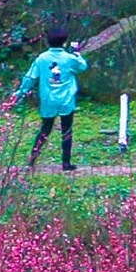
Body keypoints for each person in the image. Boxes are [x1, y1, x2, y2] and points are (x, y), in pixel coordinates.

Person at [13, 26, 88, 172]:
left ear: (48, 42)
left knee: (45, 129)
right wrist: (77, 54)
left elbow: (30, 77)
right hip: (66, 99)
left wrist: (20, 93)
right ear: (64, 42)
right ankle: (66, 163)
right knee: (67, 130)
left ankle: (33, 159)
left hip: (48, 99)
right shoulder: (69, 58)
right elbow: (82, 67)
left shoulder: (42, 59)